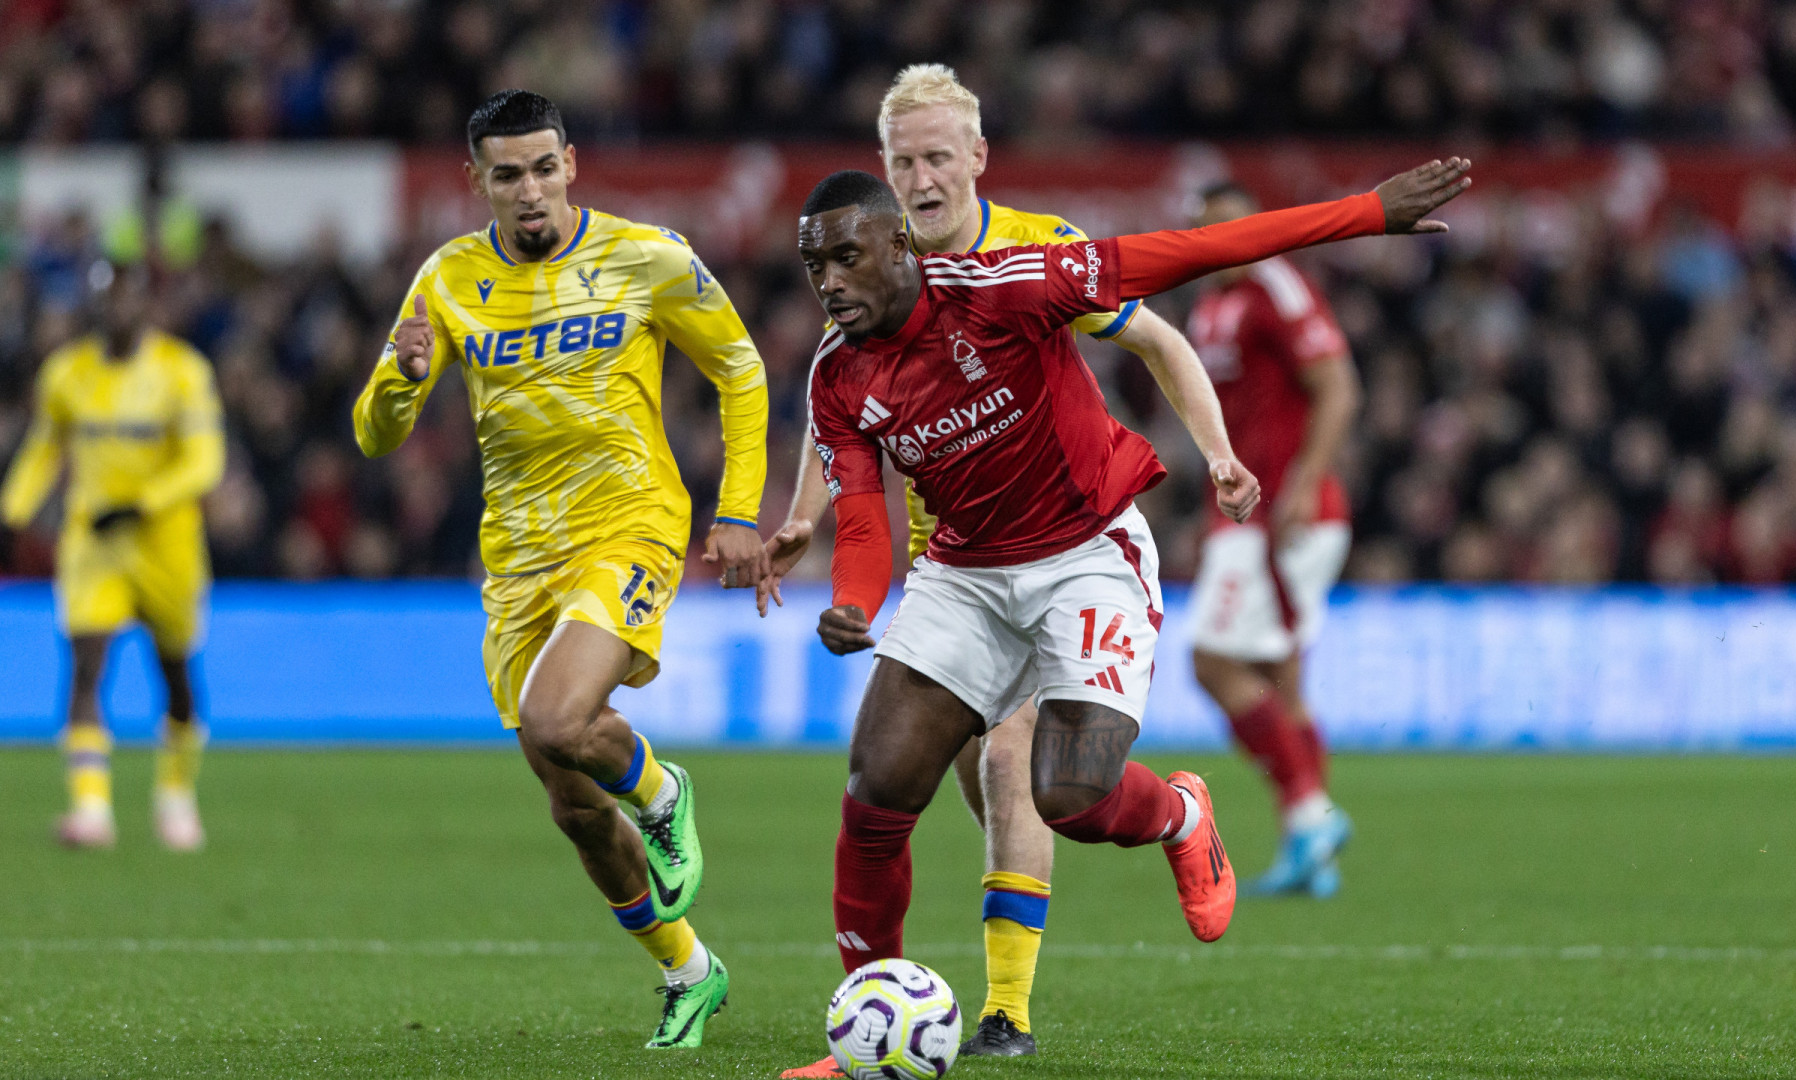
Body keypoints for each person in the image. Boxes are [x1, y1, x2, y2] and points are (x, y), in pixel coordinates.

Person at [771, 156, 1468, 1064]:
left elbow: (1191, 250)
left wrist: (1366, 211)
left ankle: (1179, 815)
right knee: (875, 793)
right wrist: (852, 603)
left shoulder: (1008, 289)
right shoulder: (836, 376)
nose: (829, 284)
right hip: (966, 574)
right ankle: (860, 1034)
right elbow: (864, 518)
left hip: (1086, 555)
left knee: (1069, 794)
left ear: (899, 243)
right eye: (814, 268)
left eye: (846, 258)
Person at [760, 64, 1232, 1069]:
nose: (922, 177)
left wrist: (1218, 451)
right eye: (903, 160)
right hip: (953, 562)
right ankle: (866, 1030)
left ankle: (1011, 1006)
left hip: (1069, 546)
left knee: (1034, 777)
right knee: (900, 780)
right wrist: (807, 528)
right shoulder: (862, 283)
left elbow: (1157, 337)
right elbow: (845, 425)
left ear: (977, 157)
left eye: (938, 155)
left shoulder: (1038, 251)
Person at [351, 90, 769, 1051]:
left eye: (544, 168)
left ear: (572, 164)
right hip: (518, 563)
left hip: (630, 526)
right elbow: (376, 437)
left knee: (557, 718)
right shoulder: (448, 277)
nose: (529, 190)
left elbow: (740, 370)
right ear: (478, 182)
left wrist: (738, 508)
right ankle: (689, 971)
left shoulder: (649, 256)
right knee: (574, 805)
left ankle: (664, 795)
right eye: (508, 174)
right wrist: (398, 382)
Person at [1, 256, 223, 852]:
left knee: (175, 675)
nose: (116, 311)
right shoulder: (67, 374)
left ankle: (176, 796)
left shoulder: (181, 372)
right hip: (94, 543)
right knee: (86, 666)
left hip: (165, 544)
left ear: (147, 306)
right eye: (106, 300)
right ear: (94, 306)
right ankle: (91, 811)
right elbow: (42, 451)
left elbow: (205, 461)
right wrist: (13, 511)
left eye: (127, 299)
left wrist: (143, 503)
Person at [1185, 182, 1361, 898]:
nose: (1223, 241)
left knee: (1213, 661)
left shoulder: (1278, 288)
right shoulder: (1208, 301)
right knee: (1284, 682)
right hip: (1243, 515)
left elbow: (1338, 386)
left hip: (1285, 514)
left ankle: (1312, 814)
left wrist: (1302, 482)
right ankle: (1308, 855)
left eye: (1233, 227)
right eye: (1208, 230)